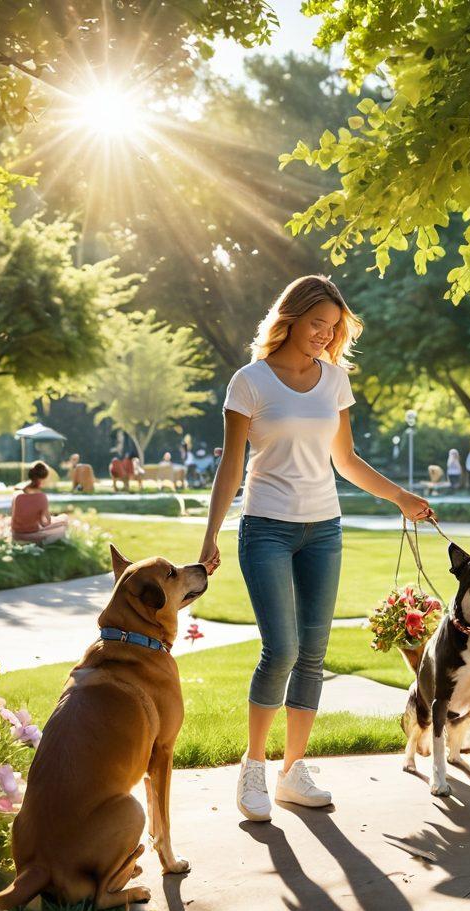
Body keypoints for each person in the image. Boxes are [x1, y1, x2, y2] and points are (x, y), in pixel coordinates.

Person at [198, 275, 432, 823]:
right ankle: (253, 768)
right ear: (290, 319)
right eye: (315, 325)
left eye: (332, 329)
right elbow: (231, 467)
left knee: (313, 654)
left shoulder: (334, 382)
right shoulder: (249, 382)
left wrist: (401, 497)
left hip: (323, 530)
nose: (323, 337)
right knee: (280, 649)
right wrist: (210, 535)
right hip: (267, 528)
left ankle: (292, 771)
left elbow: (345, 461)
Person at [11, 462, 68, 544]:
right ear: (42, 480)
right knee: (63, 523)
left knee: (61, 520)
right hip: (31, 536)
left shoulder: (17, 494)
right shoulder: (41, 497)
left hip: (15, 535)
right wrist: (60, 521)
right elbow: (45, 523)